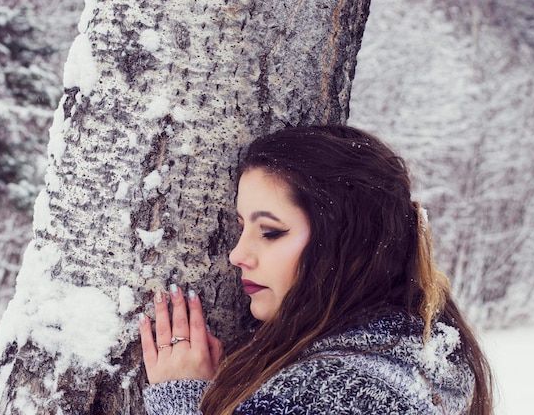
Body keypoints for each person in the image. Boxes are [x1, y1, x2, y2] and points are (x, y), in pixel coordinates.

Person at [138, 125, 493, 414]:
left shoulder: (328, 397)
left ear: (349, 243)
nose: (237, 254)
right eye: (241, 227)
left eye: (272, 232)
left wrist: (181, 404)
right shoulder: (426, 355)